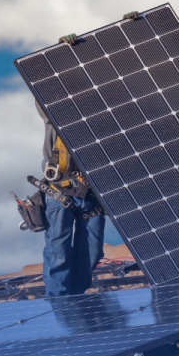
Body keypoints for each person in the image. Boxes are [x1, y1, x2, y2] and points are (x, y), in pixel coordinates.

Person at [38, 103, 106, 297]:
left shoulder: (101, 120)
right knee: (58, 253)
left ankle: (75, 299)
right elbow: (45, 101)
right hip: (61, 191)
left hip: (90, 194)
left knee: (92, 253)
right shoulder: (55, 115)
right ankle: (59, 302)